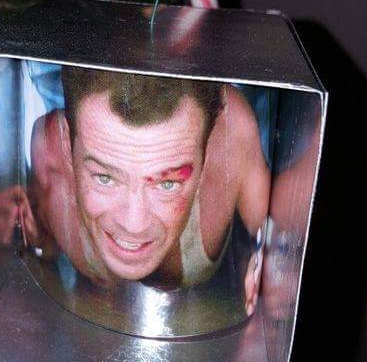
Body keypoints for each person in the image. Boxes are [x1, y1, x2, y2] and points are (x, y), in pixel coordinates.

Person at [24, 68, 270, 314]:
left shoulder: (231, 132)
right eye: (105, 178)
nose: (134, 226)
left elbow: (279, 234)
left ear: (207, 150)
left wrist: (275, 267)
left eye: (167, 184)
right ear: (67, 145)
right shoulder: (49, 151)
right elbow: (42, 255)